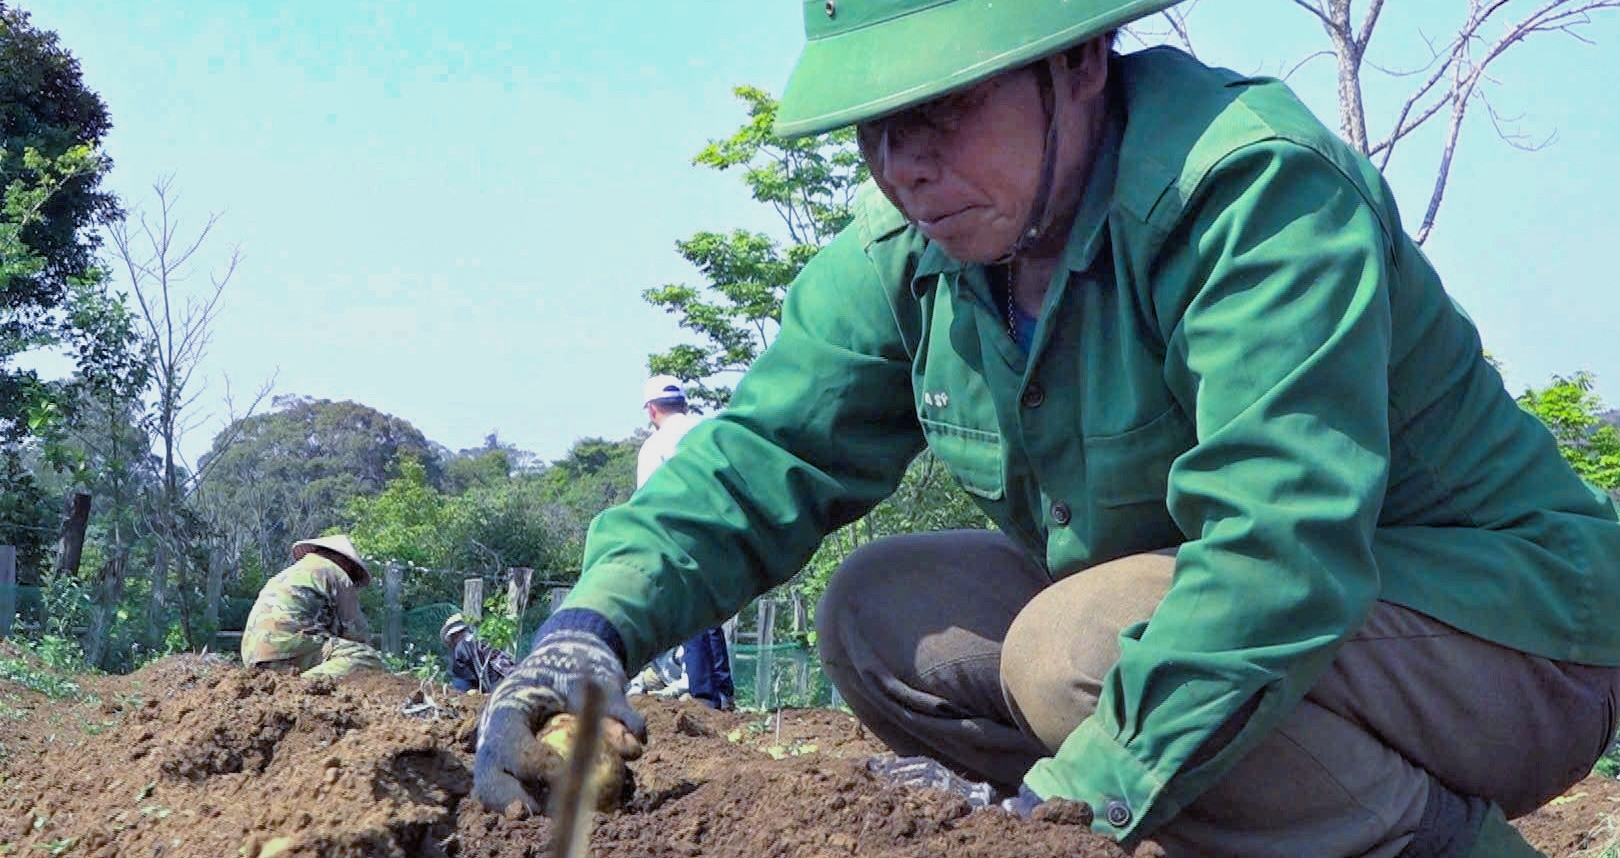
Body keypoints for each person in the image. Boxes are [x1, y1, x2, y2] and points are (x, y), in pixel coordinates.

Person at [473, 2, 1620, 855]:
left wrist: (1052, 817)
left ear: (1075, 63)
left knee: (1080, 651)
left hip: (1509, 643)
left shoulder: (1250, 188)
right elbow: (763, 456)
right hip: (1242, 633)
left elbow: (1283, 549)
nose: (906, 164)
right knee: (882, 614)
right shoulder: (908, 254)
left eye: (945, 108)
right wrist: (588, 632)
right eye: (875, 128)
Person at [635, 375, 736, 711]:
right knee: (711, 614)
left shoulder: (655, 445)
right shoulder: (708, 432)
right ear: (683, 403)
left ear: (651, 410)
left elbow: (648, 500)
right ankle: (722, 689)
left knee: (690, 613)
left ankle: (704, 696)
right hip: (719, 530)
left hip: (679, 535)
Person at [241, 534, 387, 679]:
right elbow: (355, 632)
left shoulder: (289, 573)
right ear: (345, 562)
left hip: (254, 655)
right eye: (352, 572)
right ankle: (301, 686)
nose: (351, 577)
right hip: (289, 650)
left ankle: (287, 683)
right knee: (364, 657)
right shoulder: (336, 572)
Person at [441, 613, 517, 693]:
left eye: (460, 634)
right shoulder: (461, 654)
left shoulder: (481, 644)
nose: (458, 638)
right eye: (455, 637)